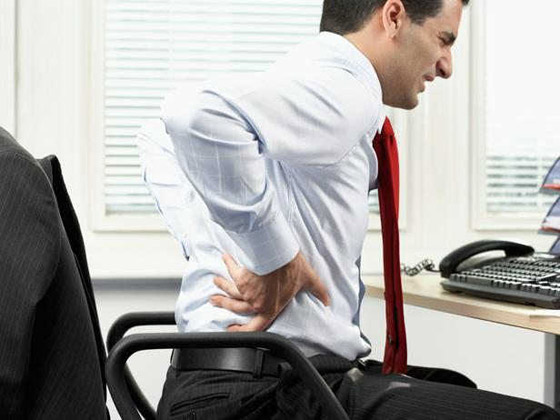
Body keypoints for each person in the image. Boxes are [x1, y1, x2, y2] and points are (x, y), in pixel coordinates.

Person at [150, 0, 560, 418]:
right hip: (260, 396)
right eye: (444, 39)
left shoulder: (309, 76)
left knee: (452, 388)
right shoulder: (343, 90)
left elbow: (156, 136)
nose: (447, 66)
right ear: (394, 17)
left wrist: (225, 242)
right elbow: (193, 114)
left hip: (222, 384)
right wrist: (275, 257)